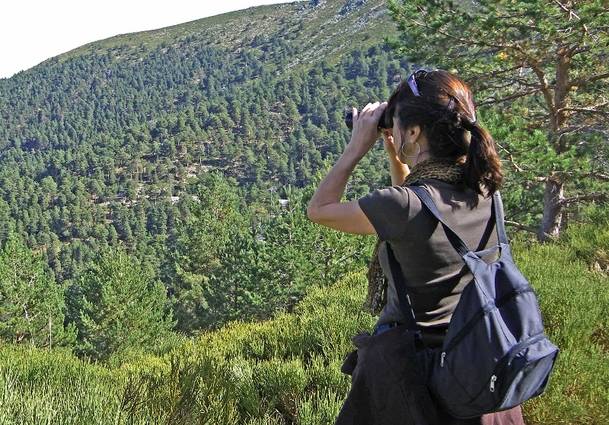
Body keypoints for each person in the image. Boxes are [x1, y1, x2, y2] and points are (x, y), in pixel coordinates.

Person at [306, 69, 526, 425]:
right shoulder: (484, 191)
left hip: (415, 384)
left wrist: (355, 147)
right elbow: (415, 208)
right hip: (479, 372)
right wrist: (396, 152)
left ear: (414, 131)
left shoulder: (402, 207)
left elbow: (320, 210)